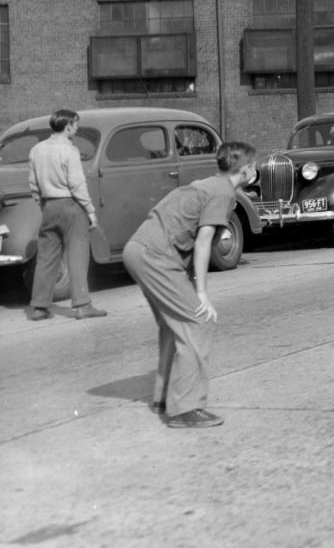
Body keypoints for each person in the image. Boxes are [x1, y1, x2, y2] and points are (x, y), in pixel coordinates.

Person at [122, 141, 257, 429]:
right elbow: (204, 241)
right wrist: (202, 295)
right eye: (254, 166)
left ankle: (165, 397)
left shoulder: (209, 184)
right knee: (198, 320)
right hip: (157, 255)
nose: (255, 170)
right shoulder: (223, 193)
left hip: (138, 248)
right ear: (245, 170)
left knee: (175, 324)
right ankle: (185, 409)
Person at [27, 108, 105, 321]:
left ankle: (39, 307)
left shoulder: (36, 150)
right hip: (71, 206)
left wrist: (43, 206)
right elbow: (77, 184)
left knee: (46, 257)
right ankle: (82, 305)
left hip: (49, 207)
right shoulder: (69, 151)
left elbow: (33, 185)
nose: (77, 128)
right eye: (76, 124)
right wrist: (90, 210)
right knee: (78, 256)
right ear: (68, 125)